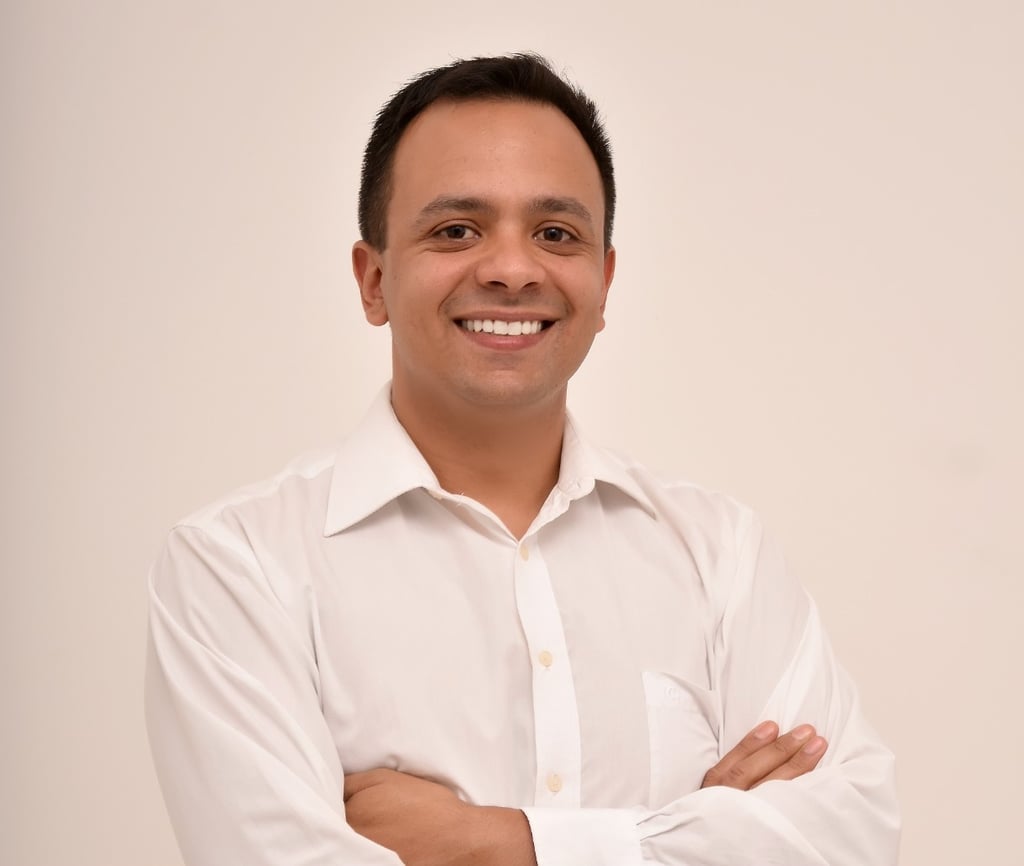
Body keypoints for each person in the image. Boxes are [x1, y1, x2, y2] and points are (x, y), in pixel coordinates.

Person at [145, 53, 900, 865]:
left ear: (603, 283)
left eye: (555, 234)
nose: (511, 270)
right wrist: (694, 833)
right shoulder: (239, 566)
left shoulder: (721, 555)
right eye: (456, 230)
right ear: (373, 281)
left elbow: (852, 841)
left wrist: (494, 843)